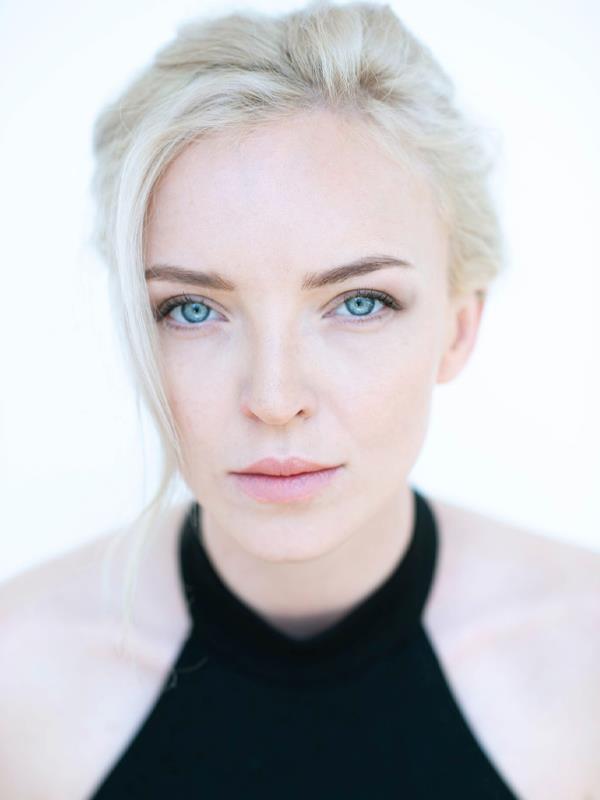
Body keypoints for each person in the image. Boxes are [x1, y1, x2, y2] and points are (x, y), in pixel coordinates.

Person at [1, 1, 598, 798]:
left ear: (458, 329)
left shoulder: (586, 668)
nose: (275, 399)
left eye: (359, 302)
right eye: (192, 309)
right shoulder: (18, 682)